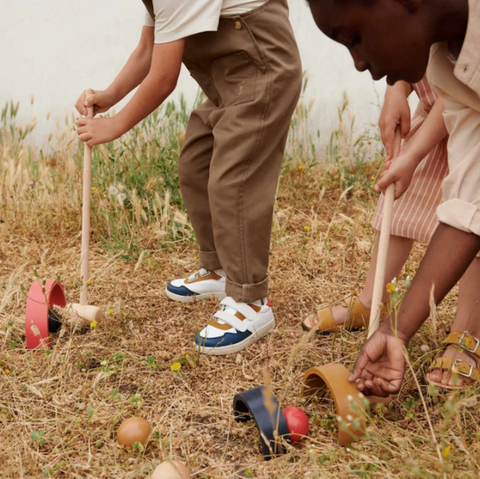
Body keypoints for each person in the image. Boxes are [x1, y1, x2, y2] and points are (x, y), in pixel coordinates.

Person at [75, 0, 302, 355]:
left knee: (233, 181)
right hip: (228, 83)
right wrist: (111, 96)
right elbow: (147, 50)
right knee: (196, 165)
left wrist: (116, 125)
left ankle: (250, 300)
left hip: (262, 72)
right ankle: (220, 269)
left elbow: (164, 78)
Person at [306, 0, 480, 395]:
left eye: (355, 38)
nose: (358, 64)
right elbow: (471, 203)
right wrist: (395, 331)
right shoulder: (446, 69)